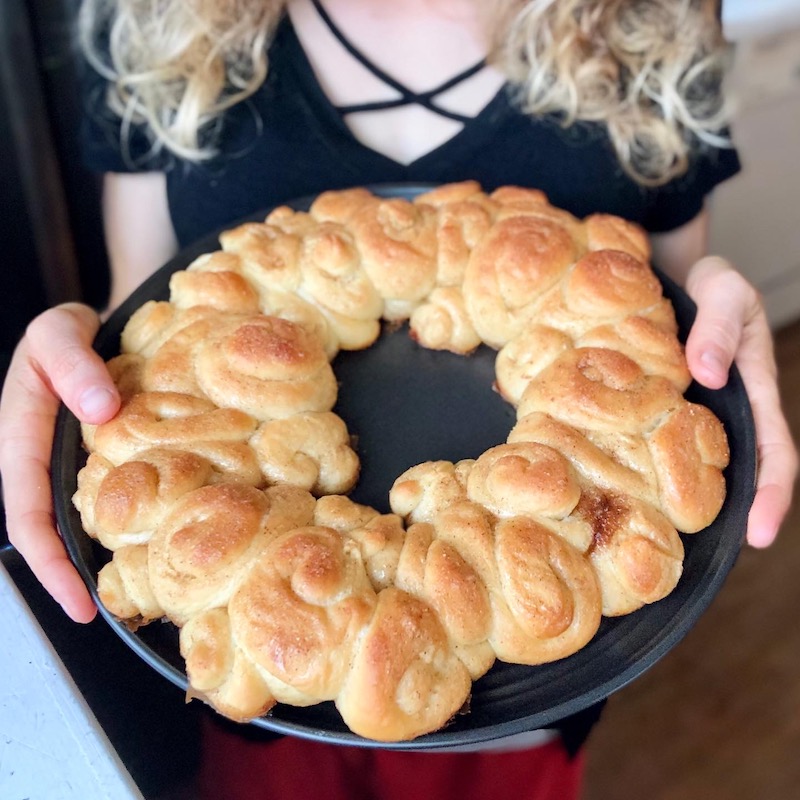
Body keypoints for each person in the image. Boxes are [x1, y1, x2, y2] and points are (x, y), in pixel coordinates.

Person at [0, 0, 796, 798]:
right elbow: (146, 316)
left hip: (541, 703)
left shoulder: (661, 22)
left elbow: (651, 305)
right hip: (253, 681)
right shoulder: (156, 24)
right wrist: (80, 348)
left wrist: (712, 298)